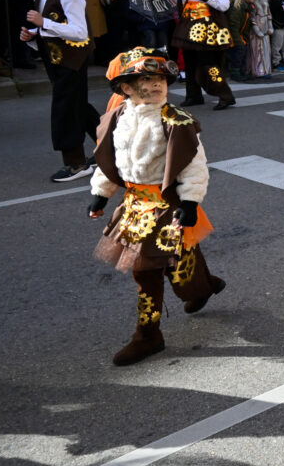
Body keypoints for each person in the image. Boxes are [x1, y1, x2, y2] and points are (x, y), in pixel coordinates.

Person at [87, 48, 226, 366]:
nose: (153, 86)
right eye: (143, 80)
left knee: (163, 270)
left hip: (166, 207)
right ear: (125, 87)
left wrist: (190, 201)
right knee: (155, 268)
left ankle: (175, 311)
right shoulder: (117, 117)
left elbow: (193, 164)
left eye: (158, 80)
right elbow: (110, 160)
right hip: (134, 206)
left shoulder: (177, 121)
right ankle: (167, 318)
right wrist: (101, 192)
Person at [20, 0, 101, 181]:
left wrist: (43, 23)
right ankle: (113, 146)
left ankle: (76, 163)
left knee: (65, 109)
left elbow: (79, 32)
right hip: (54, 56)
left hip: (73, 57)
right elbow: (48, 27)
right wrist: (32, 35)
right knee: (78, 105)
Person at [171, 0, 236, 110]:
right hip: (187, 27)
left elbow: (224, 5)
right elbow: (179, 1)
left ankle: (225, 95)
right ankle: (193, 95)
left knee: (208, 63)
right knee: (190, 62)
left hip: (207, 29)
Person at [243, 0, 272, 80]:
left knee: (265, 49)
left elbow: (268, 14)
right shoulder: (252, 3)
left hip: (264, 29)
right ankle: (258, 70)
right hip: (256, 31)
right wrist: (257, 30)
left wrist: (270, 26)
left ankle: (266, 69)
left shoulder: (264, 1)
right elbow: (252, 19)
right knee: (257, 49)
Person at [226, 0, 254, 82]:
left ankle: (242, 72)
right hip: (234, 36)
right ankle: (235, 73)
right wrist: (238, 41)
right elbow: (233, 27)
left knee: (243, 52)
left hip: (241, 35)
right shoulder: (236, 9)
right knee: (238, 52)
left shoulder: (246, 7)